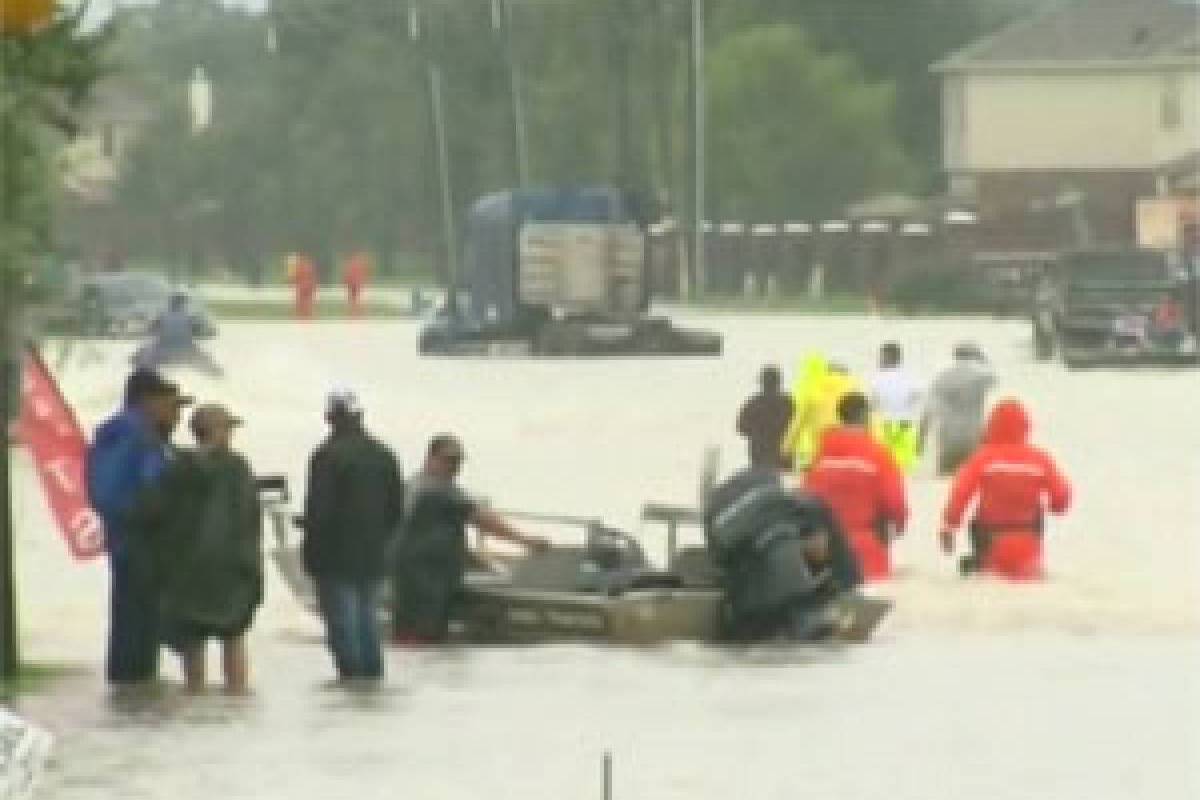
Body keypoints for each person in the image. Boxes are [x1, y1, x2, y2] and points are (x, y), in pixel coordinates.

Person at [87, 369, 192, 686]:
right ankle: (130, 692)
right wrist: (146, 512)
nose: (176, 415)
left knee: (145, 624)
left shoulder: (151, 437)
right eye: (171, 405)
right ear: (148, 401)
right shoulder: (127, 434)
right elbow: (110, 492)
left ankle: (137, 696)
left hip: (149, 543)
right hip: (136, 543)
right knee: (134, 624)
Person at [391, 435, 549, 644]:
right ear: (430, 458)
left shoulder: (413, 484)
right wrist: (526, 540)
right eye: (447, 460)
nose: (453, 467)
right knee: (421, 639)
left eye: (457, 461)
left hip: (416, 574)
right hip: (426, 579)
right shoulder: (438, 489)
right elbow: (482, 519)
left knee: (413, 639)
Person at [152, 405, 262, 695]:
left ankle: (195, 701)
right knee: (233, 636)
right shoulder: (238, 466)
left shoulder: (178, 467)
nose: (230, 435)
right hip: (231, 566)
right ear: (217, 431)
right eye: (227, 428)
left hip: (189, 566)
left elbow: (165, 516)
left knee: (192, 641)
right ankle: (236, 700)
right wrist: (253, 565)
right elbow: (249, 517)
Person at [303, 389, 405, 682]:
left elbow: (319, 511)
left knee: (343, 623)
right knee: (367, 620)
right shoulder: (385, 455)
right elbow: (395, 510)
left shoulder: (326, 456)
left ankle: (351, 681)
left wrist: (310, 554)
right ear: (360, 415)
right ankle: (372, 680)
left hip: (335, 554)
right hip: (373, 551)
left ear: (330, 417)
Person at [939, 399, 1071, 580]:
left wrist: (949, 527)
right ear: (1026, 427)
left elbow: (960, 495)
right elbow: (1062, 498)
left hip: (991, 544)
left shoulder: (982, 459)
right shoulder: (1040, 460)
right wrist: (1054, 507)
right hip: (1029, 547)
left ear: (991, 426)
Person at [806, 392, 908, 581]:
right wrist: (900, 524)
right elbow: (895, 502)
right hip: (867, 549)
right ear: (864, 416)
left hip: (825, 550)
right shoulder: (877, 453)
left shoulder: (821, 454)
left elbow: (805, 500)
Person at [921, 343, 996, 477]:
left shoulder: (942, 378)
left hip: (949, 440)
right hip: (974, 438)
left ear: (954, 356)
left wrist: (920, 439)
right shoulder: (981, 378)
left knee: (946, 484)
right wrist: (982, 359)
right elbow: (994, 374)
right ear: (974, 357)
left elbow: (928, 412)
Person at [781, 355, 861, 472]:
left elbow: (798, 424)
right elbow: (867, 422)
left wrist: (787, 449)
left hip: (819, 456)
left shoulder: (812, 391)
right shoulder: (853, 390)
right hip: (848, 455)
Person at [135, 293, 222, 376]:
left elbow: (150, 330)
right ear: (182, 305)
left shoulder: (162, 316)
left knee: (143, 355)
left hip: (164, 349)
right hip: (187, 350)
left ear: (171, 303)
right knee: (207, 362)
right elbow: (200, 332)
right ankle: (216, 372)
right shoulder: (189, 317)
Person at [869, 342, 923, 472]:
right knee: (906, 468)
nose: (879, 360)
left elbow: (873, 404)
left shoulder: (877, 379)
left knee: (884, 466)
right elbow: (917, 399)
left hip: (885, 426)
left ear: (887, 357)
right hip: (906, 426)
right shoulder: (911, 377)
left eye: (881, 357)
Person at [735, 365, 793, 470]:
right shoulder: (788, 403)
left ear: (762, 383)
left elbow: (740, 428)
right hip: (783, 456)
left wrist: (757, 430)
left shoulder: (753, 403)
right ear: (779, 382)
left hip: (759, 456)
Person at [287, 253, 318, 320]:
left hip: (303, 290)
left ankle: (303, 320)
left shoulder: (299, 267)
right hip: (307, 289)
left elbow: (293, 279)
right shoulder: (308, 266)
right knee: (307, 308)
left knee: (302, 308)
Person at [343, 251, 370, 318]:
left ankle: (354, 312)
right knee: (356, 299)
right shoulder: (358, 264)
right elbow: (363, 274)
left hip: (353, 284)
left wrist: (346, 283)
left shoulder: (349, 264)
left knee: (353, 299)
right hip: (356, 284)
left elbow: (347, 275)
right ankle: (355, 312)